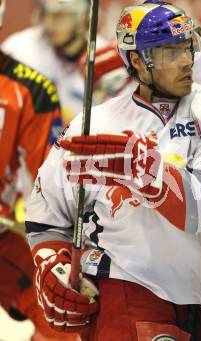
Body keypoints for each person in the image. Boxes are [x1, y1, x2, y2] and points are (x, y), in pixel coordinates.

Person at [25, 1, 201, 340]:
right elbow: (46, 211)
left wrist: (145, 170)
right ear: (137, 61)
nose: (186, 60)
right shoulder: (94, 124)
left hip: (200, 299)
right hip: (125, 293)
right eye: (169, 52)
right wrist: (52, 263)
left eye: (187, 47)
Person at [0, 1, 81, 340]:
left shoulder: (29, 90)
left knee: (65, 314)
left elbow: (49, 183)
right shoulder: (25, 47)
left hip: (2, 234)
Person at [1, 0, 107, 124]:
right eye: (46, 14)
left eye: (59, 16)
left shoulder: (106, 59)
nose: (49, 24)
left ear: (84, 19)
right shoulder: (19, 48)